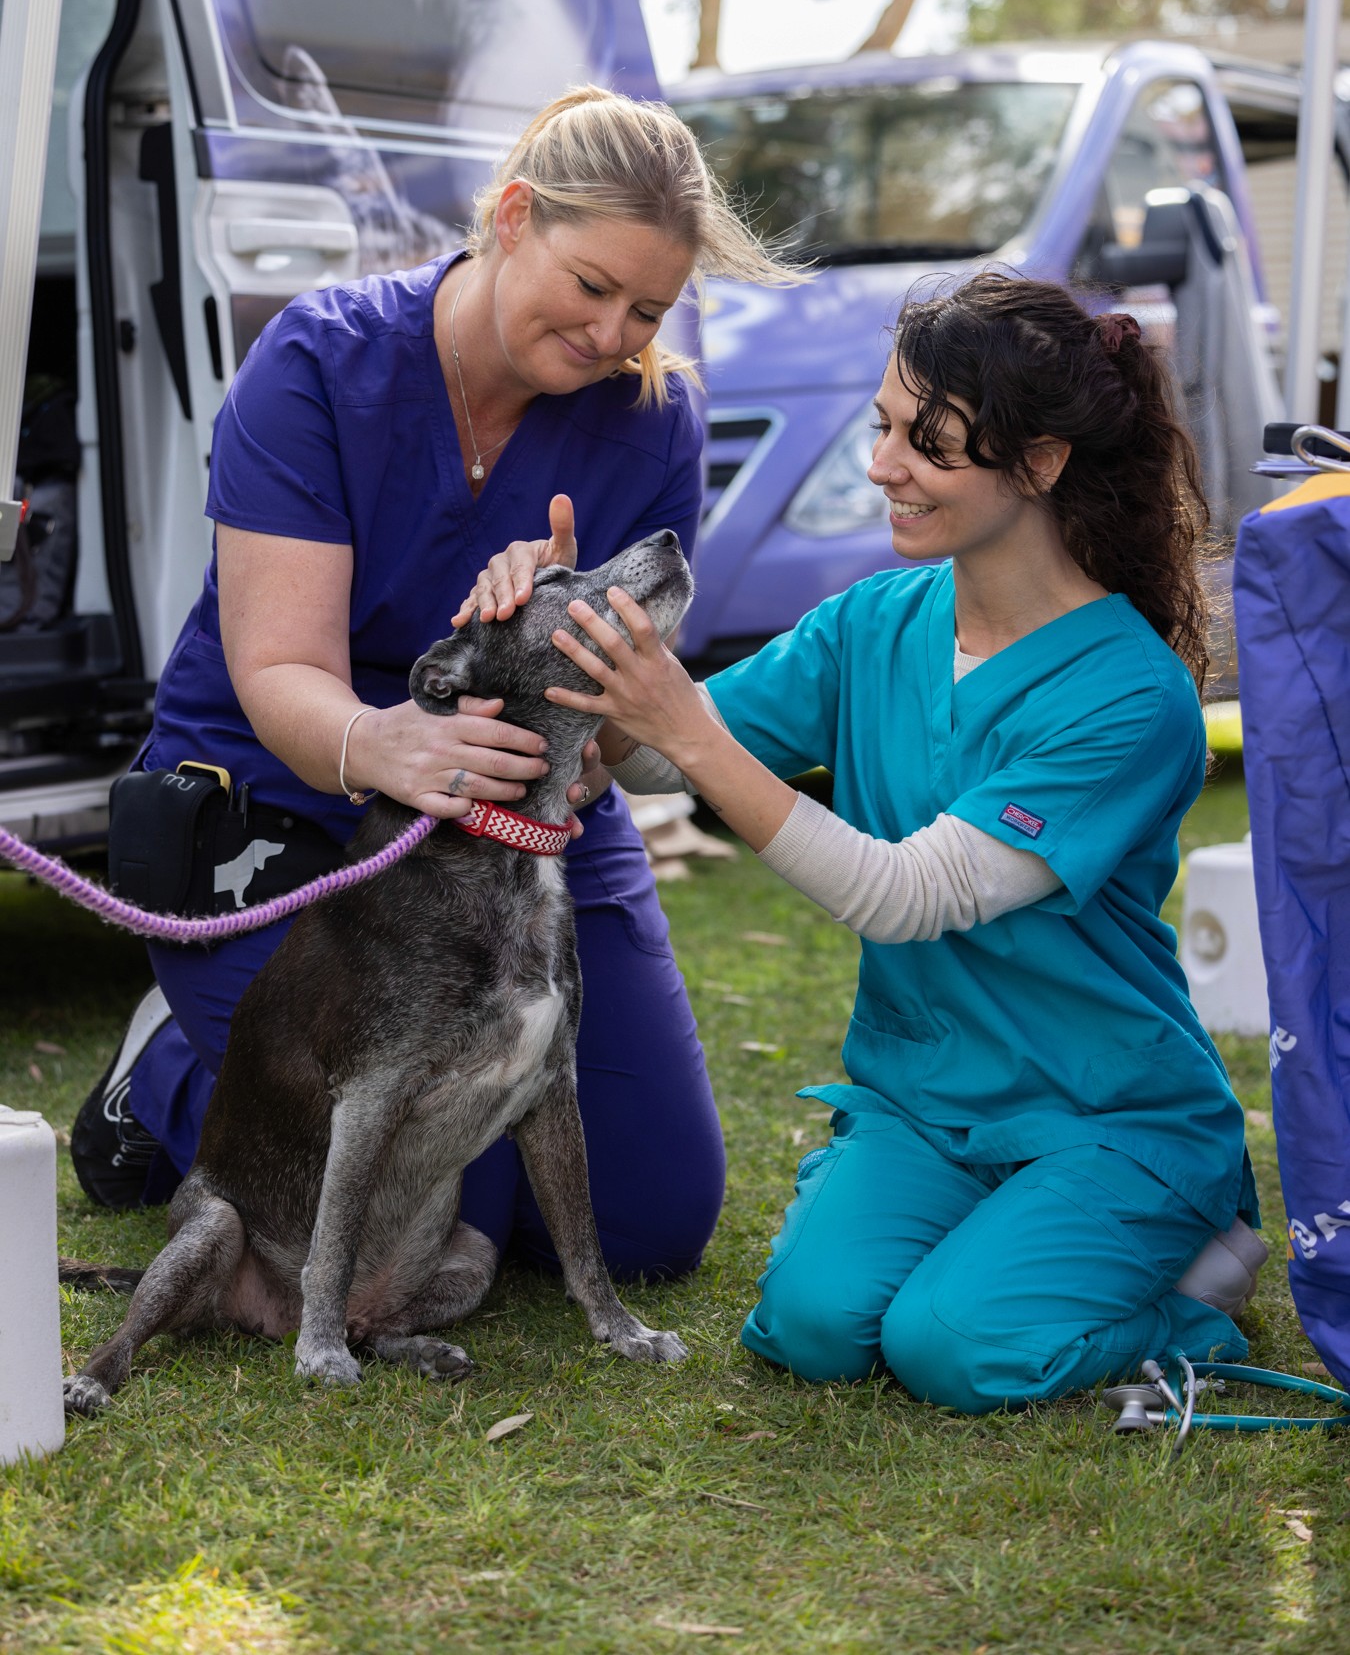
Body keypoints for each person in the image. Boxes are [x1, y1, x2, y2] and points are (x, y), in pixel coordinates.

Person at [74, 85, 794, 1287]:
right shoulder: (318, 358)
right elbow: (278, 669)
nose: (618, 332)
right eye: (593, 285)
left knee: (655, 1220)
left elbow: (619, 725)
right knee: (463, 1181)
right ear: (514, 215)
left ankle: (237, 1069)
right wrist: (385, 745)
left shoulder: (654, 420)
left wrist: (590, 682)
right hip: (288, 800)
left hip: (521, 822)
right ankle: (167, 1074)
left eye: (649, 308)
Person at [531, 271, 1265, 1413]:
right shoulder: (876, 620)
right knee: (813, 1326)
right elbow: (674, 752)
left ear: (1042, 462)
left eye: (930, 441)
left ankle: (1190, 1284)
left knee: (952, 1347)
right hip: (930, 1101)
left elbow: (906, 893)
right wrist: (586, 649)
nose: (883, 464)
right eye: (882, 426)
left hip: (1109, 1113)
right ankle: (978, 1228)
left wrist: (676, 723)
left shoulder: (1132, 698)